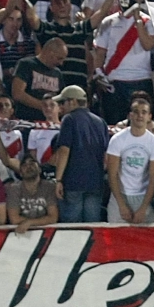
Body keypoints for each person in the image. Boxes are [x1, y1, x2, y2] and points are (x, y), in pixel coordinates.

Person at [52, 85, 109, 223]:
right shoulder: (101, 122)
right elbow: (106, 157)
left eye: (62, 102)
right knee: (93, 226)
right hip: (95, 182)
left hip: (73, 182)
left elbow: (64, 151)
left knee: (72, 229)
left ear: (73, 101)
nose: (61, 107)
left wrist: (58, 180)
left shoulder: (69, 119)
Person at [105, 97, 154, 223]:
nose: (140, 115)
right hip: (120, 195)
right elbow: (112, 174)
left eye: (144, 112)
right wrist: (121, 204)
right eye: (136, 112)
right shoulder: (117, 139)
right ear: (130, 115)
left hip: (144, 197)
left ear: (149, 116)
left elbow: (153, 178)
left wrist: (143, 208)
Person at [5, 154, 58, 233]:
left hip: (46, 232)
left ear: (40, 169)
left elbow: (53, 217)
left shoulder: (49, 187)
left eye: (32, 163)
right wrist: (42, 220)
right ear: (20, 173)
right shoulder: (14, 189)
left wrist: (29, 222)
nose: (28, 167)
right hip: (20, 233)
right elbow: (14, 219)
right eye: (24, 165)